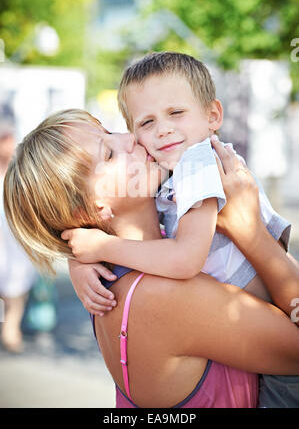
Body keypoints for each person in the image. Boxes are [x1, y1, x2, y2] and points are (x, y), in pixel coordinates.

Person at [3, 109, 299, 408]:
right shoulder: (163, 294)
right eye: (108, 154)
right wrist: (250, 232)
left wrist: (80, 258)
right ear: (90, 210)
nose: (129, 138)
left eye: (109, 131)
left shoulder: (114, 268)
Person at [62, 53, 299, 406]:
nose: (163, 129)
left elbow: (185, 258)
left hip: (277, 320)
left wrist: (100, 248)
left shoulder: (199, 163)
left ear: (213, 116)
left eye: (176, 113)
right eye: (146, 122)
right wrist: (78, 262)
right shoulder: (167, 168)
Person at [0, 120, 37, 352]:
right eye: (6, 139)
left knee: (17, 286)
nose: (10, 144)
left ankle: (10, 329)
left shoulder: (20, 171)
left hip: (16, 237)